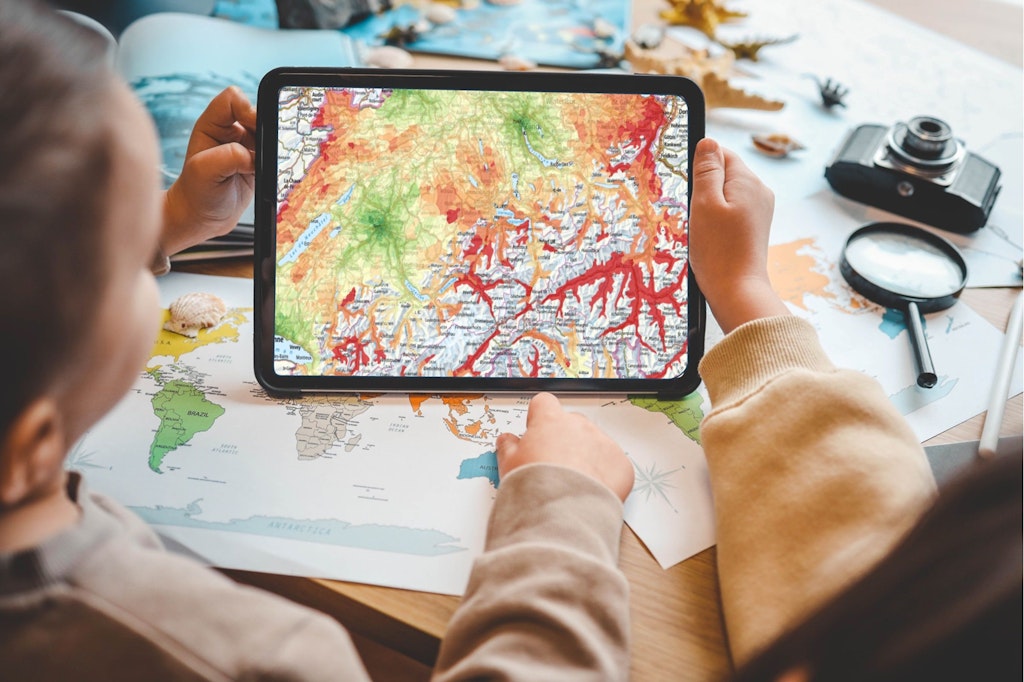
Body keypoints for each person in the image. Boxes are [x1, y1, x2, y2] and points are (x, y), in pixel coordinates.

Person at [0, 1, 633, 679]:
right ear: (31, 449)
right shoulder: (265, 658)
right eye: (130, 258)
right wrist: (563, 519)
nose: (146, 262)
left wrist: (166, 223)